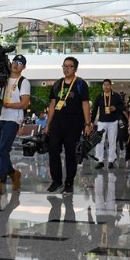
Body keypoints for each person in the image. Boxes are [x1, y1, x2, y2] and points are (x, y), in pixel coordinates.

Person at [0, 54, 30, 196]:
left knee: (3, 149)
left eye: (20, 63)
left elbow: (25, 103)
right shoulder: (1, 79)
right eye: (15, 61)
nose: (16, 65)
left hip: (13, 119)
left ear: (24, 67)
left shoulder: (24, 82)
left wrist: (8, 105)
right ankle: (13, 173)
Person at [46, 56, 92, 194]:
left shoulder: (80, 84)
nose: (66, 68)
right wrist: (48, 124)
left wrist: (87, 123)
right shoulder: (57, 84)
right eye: (64, 66)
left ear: (75, 68)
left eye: (69, 66)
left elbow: (85, 104)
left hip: (73, 123)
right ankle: (56, 180)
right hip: (57, 123)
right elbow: (53, 104)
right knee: (53, 150)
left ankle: (69, 181)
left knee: (70, 153)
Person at [91, 79, 124, 170]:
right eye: (104, 85)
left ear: (111, 86)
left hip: (113, 122)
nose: (106, 86)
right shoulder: (99, 96)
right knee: (99, 141)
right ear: (102, 86)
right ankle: (100, 160)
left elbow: (122, 106)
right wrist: (91, 121)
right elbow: (94, 110)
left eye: (108, 85)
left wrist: (115, 108)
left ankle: (111, 160)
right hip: (101, 122)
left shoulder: (116, 96)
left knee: (112, 141)